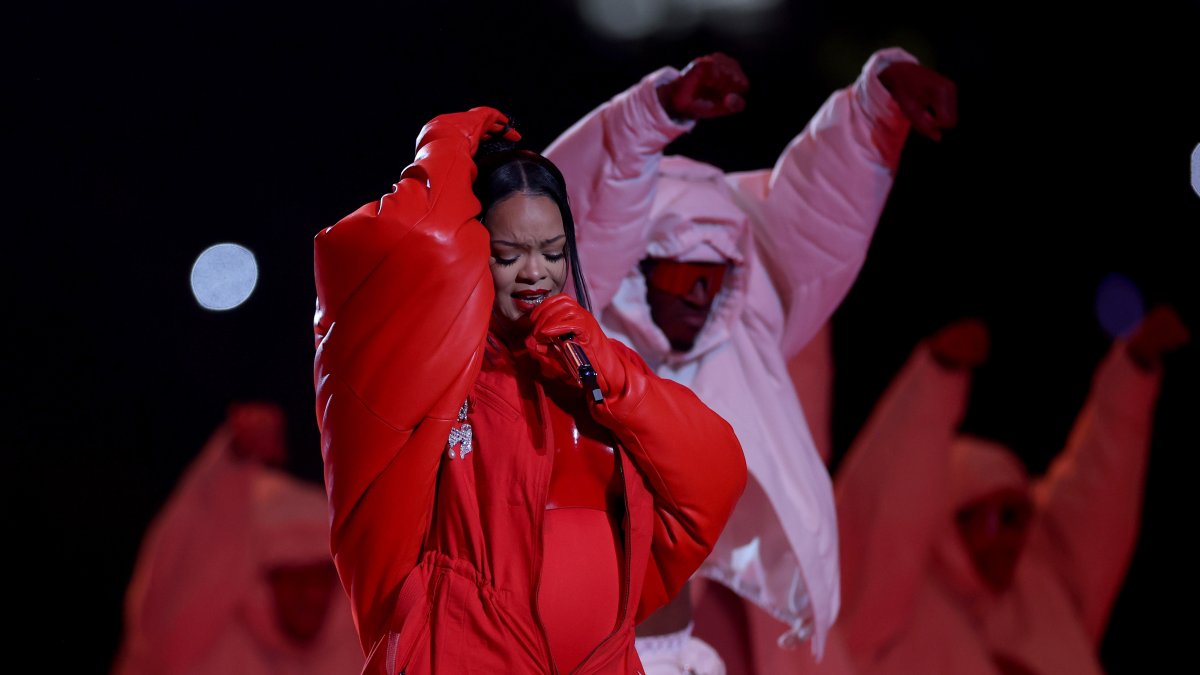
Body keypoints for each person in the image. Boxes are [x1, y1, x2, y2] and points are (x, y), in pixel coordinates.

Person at [541, 48, 956, 674]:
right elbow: (575, 220)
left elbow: (811, 224)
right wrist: (651, 112)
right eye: (683, 271)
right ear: (639, 265)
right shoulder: (571, 347)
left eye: (715, 276)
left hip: (669, 651)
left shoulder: (734, 353)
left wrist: (877, 109)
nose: (699, 294)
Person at [311, 107, 747, 674]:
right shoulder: (421, 375)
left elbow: (717, 474)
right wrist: (447, 141)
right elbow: (407, 240)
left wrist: (613, 376)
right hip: (466, 655)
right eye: (507, 255)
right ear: (472, 253)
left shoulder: (592, 365)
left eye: (553, 251)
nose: (535, 272)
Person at [833, 306, 1190, 674]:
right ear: (955, 518)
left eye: (1021, 518)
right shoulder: (891, 608)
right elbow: (885, 506)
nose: (1012, 538)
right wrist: (937, 379)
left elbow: (1100, 491)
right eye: (999, 517)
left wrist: (1133, 371)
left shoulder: (1042, 593)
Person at [111, 401, 361, 675]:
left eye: (321, 577)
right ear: (263, 579)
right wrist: (235, 459)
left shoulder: (357, 650)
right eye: (295, 578)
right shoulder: (204, 645)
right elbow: (183, 580)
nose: (310, 594)